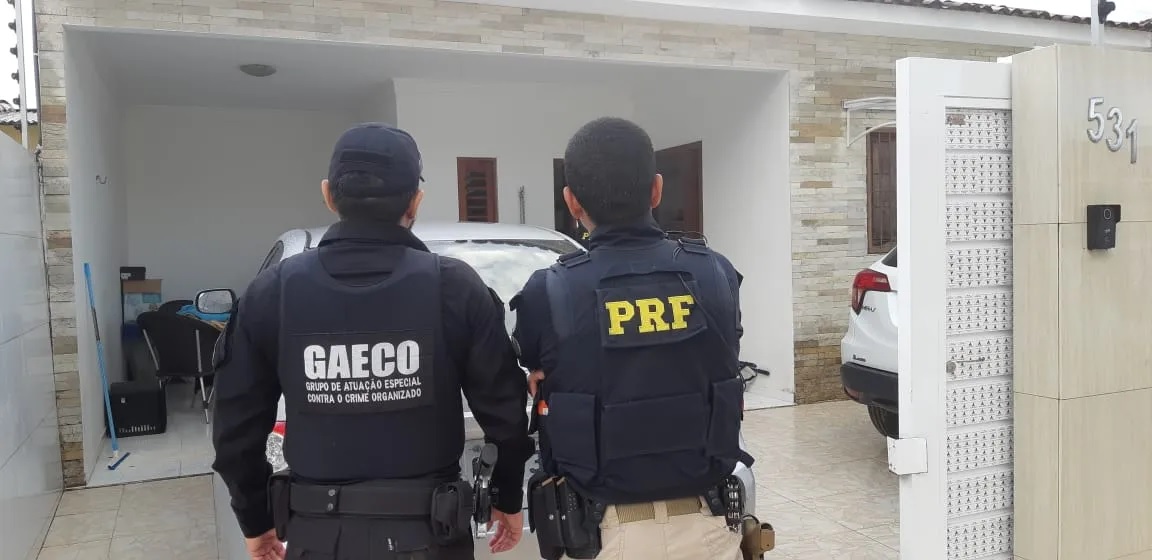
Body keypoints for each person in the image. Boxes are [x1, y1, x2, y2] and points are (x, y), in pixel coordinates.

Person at [212, 123, 534, 560]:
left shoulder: (272, 293)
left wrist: (255, 521)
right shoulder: (455, 289)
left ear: (328, 195)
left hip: (316, 540)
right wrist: (507, 496)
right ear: (415, 202)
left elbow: (235, 431)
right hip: (431, 540)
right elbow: (506, 413)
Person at [511, 117, 754, 560]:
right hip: (709, 526)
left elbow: (537, 370)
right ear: (656, 190)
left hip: (605, 533)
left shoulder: (549, 291)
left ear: (571, 201)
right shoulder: (715, 272)